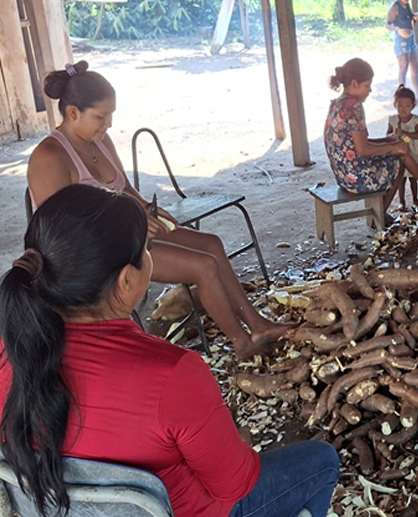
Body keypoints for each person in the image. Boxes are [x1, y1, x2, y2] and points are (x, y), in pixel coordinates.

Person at [0, 184, 339, 517]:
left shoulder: (9, 346)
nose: (151, 256)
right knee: (320, 461)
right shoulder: (173, 374)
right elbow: (234, 487)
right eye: (147, 248)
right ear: (126, 282)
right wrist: (239, 442)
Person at [27, 62, 291, 359]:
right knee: (203, 266)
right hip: (96, 256)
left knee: (212, 245)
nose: (109, 124)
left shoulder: (99, 140)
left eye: (111, 115)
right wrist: (134, 221)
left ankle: (258, 325)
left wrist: (148, 209)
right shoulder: (50, 156)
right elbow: (62, 233)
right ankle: (242, 342)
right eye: (101, 117)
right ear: (73, 113)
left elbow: (123, 187)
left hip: (129, 233)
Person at [324, 58, 418, 213]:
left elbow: (353, 144)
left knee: (399, 149)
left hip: (343, 175)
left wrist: (388, 140)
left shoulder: (338, 103)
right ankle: (381, 212)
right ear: (354, 84)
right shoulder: (354, 106)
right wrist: (393, 147)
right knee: (400, 156)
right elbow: (363, 150)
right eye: (367, 85)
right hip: (356, 178)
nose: (370, 90)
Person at [386, 85, 418, 208]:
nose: (403, 109)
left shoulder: (415, 120)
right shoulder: (393, 120)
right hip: (399, 153)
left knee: (414, 178)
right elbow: (387, 134)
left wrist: (406, 134)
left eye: (407, 106)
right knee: (400, 179)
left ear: (413, 105)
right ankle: (401, 201)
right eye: (400, 105)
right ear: (395, 105)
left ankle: (415, 199)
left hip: (413, 152)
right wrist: (393, 135)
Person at [386, 0, 418, 101]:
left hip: (410, 39)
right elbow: (387, 24)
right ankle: (401, 96)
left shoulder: (406, 5)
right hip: (401, 40)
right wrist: (397, 29)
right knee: (403, 67)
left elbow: (412, 16)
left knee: (416, 68)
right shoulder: (395, 7)